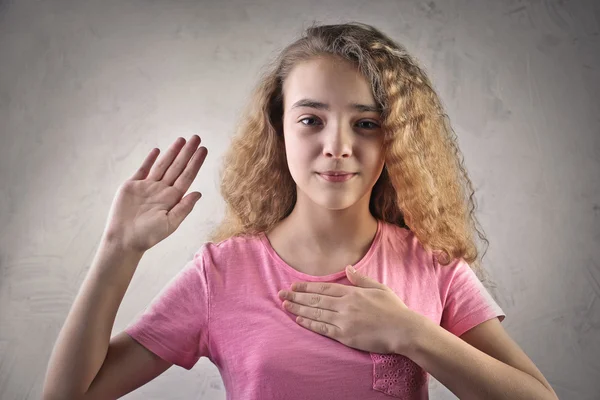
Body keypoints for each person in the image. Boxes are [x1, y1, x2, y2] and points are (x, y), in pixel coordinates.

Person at [42, 22, 559, 400]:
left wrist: (411, 334)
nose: (336, 146)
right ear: (279, 128)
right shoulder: (220, 274)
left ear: (395, 140)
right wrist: (118, 250)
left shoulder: (432, 264)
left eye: (365, 123)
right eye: (311, 119)